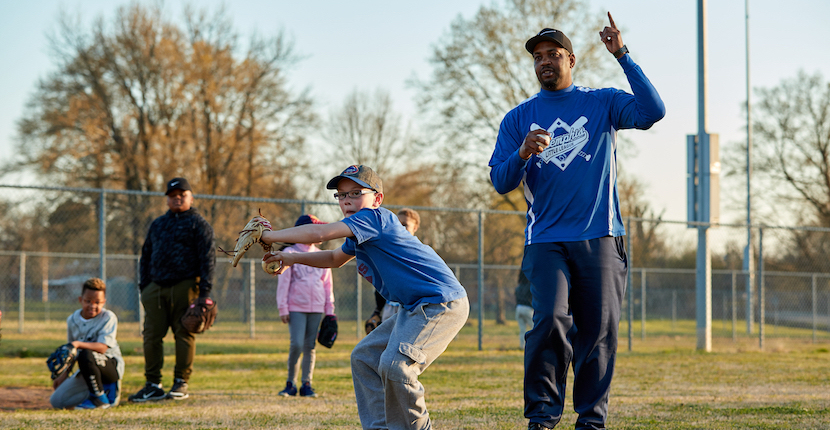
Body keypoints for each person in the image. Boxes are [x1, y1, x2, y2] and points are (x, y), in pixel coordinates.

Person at [488, 14, 665, 430]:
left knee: (598, 332)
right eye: (537, 57)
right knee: (548, 319)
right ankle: (542, 418)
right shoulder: (518, 119)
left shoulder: (601, 102)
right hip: (546, 239)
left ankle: (591, 420)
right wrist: (522, 155)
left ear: (571, 60)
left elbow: (652, 111)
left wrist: (622, 55)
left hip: (601, 237)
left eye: (552, 55)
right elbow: (500, 181)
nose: (544, 62)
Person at [260, 165, 469, 430]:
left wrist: (269, 236)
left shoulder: (375, 218)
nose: (347, 200)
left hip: (441, 303)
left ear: (377, 199)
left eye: (356, 193)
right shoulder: (359, 234)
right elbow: (335, 258)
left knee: (397, 367)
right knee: (364, 358)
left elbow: (320, 234)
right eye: (341, 195)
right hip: (414, 308)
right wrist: (290, 258)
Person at [129, 177, 216, 402]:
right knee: (151, 336)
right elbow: (146, 255)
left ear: (190, 197)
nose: (177, 198)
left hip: (186, 285)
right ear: (167, 198)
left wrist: (204, 293)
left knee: (184, 333)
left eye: (182, 194)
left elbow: (207, 259)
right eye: (172, 195)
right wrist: (144, 286)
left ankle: (180, 382)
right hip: (156, 287)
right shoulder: (158, 224)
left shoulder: (198, 223)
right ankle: (152, 384)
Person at [276, 214, 336, 398]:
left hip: (317, 307)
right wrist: (283, 308)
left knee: (310, 346)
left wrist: (330, 311)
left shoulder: (321, 254)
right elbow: (284, 282)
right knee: (296, 344)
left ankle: (306, 384)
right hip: (296, 307)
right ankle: (290, 384)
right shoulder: (290, 253)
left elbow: (327, 285)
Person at [50, 278, 125, 410]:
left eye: (97, 302)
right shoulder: (72, 320)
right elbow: (72, 352)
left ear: (104, 302)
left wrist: (78, 344)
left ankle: (101, 398)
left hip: (110, 366)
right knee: (57, 401)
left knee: (86, 354)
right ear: (80, 300)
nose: (92, 306)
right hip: (88, 368)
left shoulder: (108, 317)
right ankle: (91, 395)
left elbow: (102, 347)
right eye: (88, 301)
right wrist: (63, 376)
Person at [365, 208, 421, 333]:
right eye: (398, 224)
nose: (401, 228)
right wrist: (377, 310)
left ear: (415, 228)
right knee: (387, 340)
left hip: (410, 305)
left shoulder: (419, 251)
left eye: (405, 225)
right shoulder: (390, 250)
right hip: (390, 306)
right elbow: (383, 282)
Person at [514, 271, 533, 350]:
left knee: (522, 329)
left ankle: (522, 346)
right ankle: (534, 346)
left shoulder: (518, 287)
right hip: (527, 309)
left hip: (518, 308)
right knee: (534, 327)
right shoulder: (529, 286)